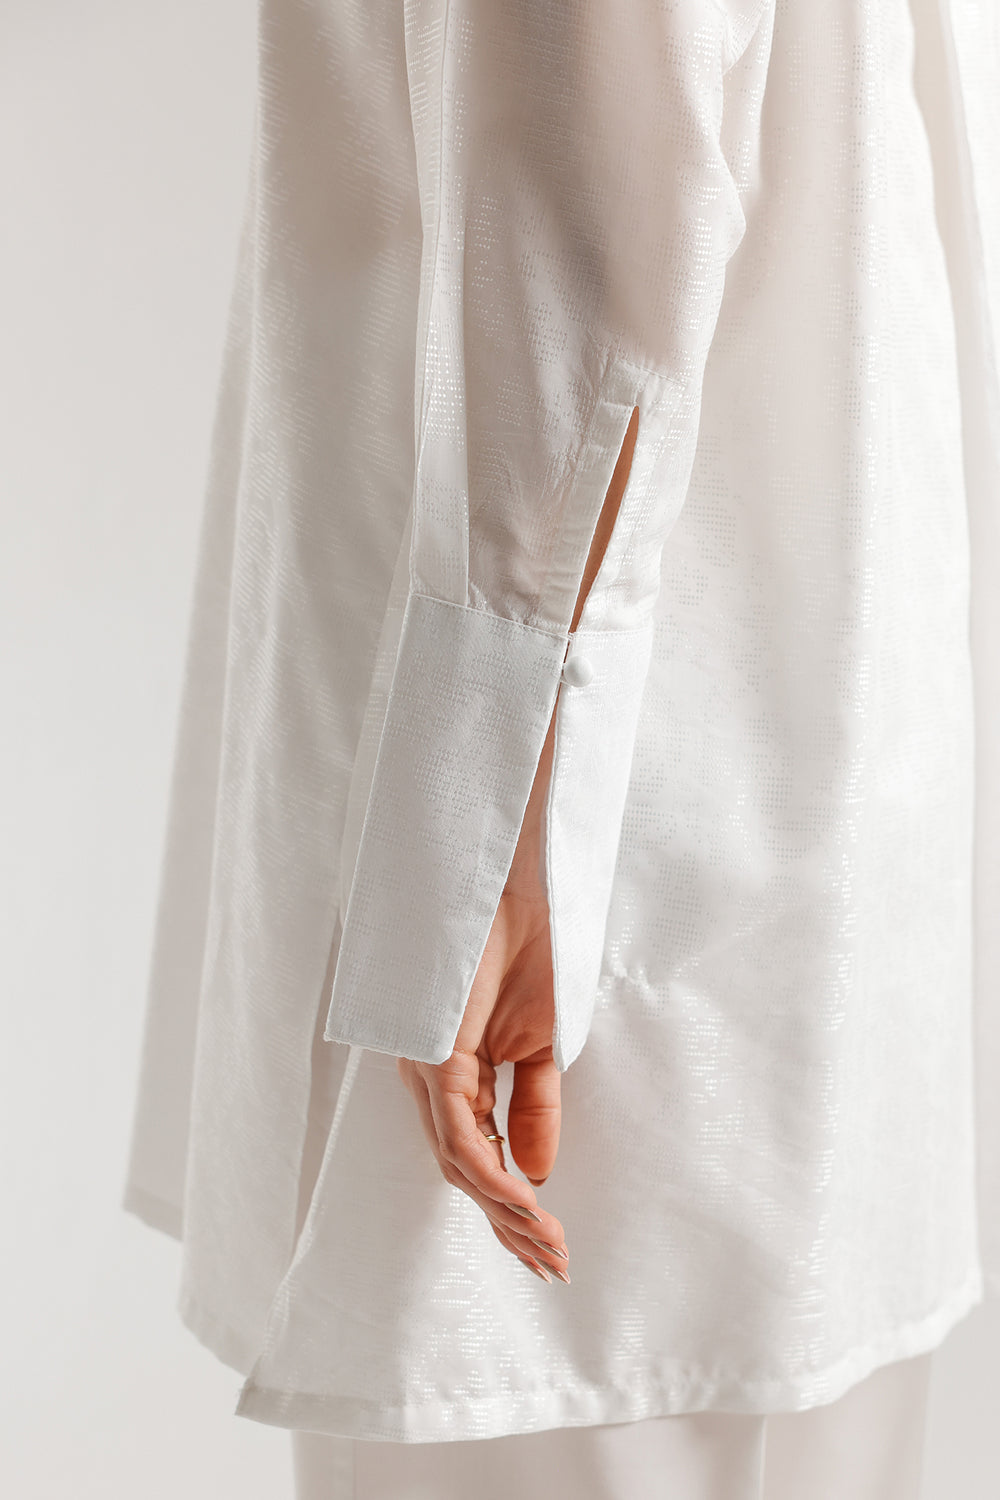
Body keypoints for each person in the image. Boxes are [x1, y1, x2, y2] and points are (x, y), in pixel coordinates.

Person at [123, 0, 1000, 1495]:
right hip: (795, 642)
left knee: (556, 1375)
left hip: (611, 739)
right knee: (761, 1375)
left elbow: (587, 160)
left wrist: (479, 830)